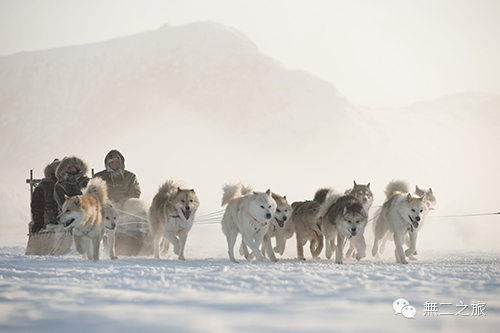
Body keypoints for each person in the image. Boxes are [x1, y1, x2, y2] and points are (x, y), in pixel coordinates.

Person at [30, 158, 61, 233]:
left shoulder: (70, 185)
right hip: (49, 223)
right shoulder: (43, 186)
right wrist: (38, 222)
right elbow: (37, 206)